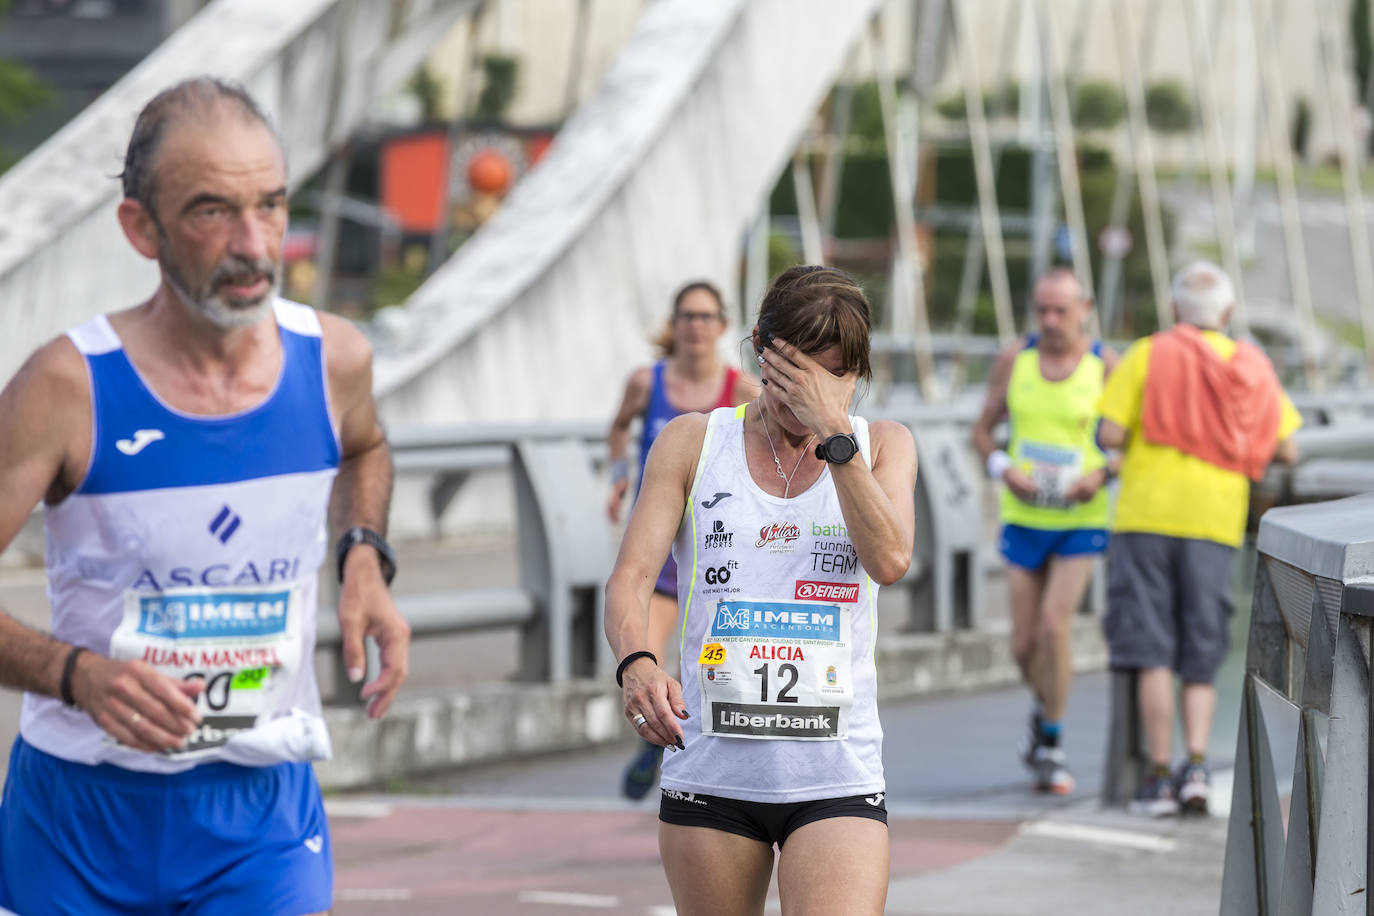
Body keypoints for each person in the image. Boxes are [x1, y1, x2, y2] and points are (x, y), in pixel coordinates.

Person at [0, 77, 411, 914]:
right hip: (77, 816)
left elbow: (365, 447)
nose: (253, 244)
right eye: (211, 211)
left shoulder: (333, 360)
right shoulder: (66, 386)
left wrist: (363, 559)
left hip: (260, 814)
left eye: (270, 205)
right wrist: (75, 674)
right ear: (140, 227)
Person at [605, 265, 917, 916]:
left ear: (854, 375)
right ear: (758, 349)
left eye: (832, 380)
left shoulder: (882, 446)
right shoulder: (693, 441)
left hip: (835, 772)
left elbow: (889, 559)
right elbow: (630, 582)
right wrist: (637, 663)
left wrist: (835, 437)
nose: (806, 399)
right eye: (791, 378)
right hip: (714, 770)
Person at [1097, 261, 1300, 816]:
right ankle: (1195, 768)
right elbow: (1286, 447)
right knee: (1201, 650)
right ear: (1228, 315)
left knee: (1152, 649)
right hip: (1214, 521)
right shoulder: (1253, 367)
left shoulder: (1147, 353)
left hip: (1145, 517)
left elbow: (1110, 432)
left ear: (1173, 311)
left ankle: (1158, 775)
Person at [605, 281, 756, 799]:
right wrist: (617, 477)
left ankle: (693, 758)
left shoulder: (741, 392)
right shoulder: (647, 384)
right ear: (675, 323)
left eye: (706, 316)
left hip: (712, 551)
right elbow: (619, 427)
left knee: (705, 660)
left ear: (722, 326)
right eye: (686, 316)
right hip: (657, 551)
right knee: (649, 651)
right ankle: (657, 737)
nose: (695, 326)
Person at [972, 269, 1117, 795]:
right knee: (1023, 645)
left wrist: (1101, 474)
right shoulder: (1016, 359)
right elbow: (981, 431)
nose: (1051, 321)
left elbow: (1129, 442)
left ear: (1085, 307)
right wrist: (1003, 469)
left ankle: (1051, 740)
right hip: (1024, 515)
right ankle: (1044, 711)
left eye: (1061, 310)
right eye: (1042, 310)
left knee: (1056, 628)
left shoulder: (1106, 366)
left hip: (1079, 518)